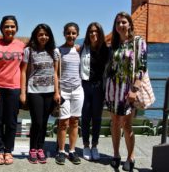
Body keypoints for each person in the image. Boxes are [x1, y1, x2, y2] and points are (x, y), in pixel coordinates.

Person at [105, 11, 147, 171]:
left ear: (130, 24)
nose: (120, 25)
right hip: (112, 90)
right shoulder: (113, 45)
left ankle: (131, 156)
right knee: (115, 123)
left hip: (128, 90)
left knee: (127, 125)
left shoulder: (138, 42)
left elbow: (142, 67)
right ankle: (116, 154)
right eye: (117, 23)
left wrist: (135, 89)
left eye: (123, 22)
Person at [0, 15, 25, 165]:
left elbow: (23, 70)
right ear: (2, 28)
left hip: (14, 89)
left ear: (16, 28)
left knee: (11, 122)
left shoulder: (21, 46)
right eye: (7, 26)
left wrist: (22, 91)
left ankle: (8, 150)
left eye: (12, 26)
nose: (10, 29)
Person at [20, 23, 60, 164]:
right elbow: (23, 72)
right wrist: (23, 92)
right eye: (40, 34)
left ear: (49, 36)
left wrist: (57, 92)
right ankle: (32, 149)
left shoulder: (54, 51)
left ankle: (40, 148)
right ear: (36, 36)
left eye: (46, 34)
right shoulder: (29, 51)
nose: (43, 37)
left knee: (44, 122)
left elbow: (55, 73)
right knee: (36, 121)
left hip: (49, 92)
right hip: (34, 91)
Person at [55, 22, 84, 165]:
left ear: (77, 35)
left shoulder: (80, 50)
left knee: (75, 122)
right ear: (64, 34)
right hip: (64, 91)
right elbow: (55, 73)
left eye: (73, 33)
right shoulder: (59, 51)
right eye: (68, 33)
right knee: (63, 122)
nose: (71, 35)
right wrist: (57, 91)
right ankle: (61, 151)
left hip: (78, 90)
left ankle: (71, 151)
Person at [80, 22, 110, 161]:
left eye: (96, 32)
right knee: (85, 117)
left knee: (97, 118)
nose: (93, 34)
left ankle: (95, 146)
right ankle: (85, 145)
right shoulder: (82, 48)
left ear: (100, 33)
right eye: (91, 31)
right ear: (88, 34)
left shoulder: (106, 50)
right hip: (85, 86)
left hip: (99, 88)